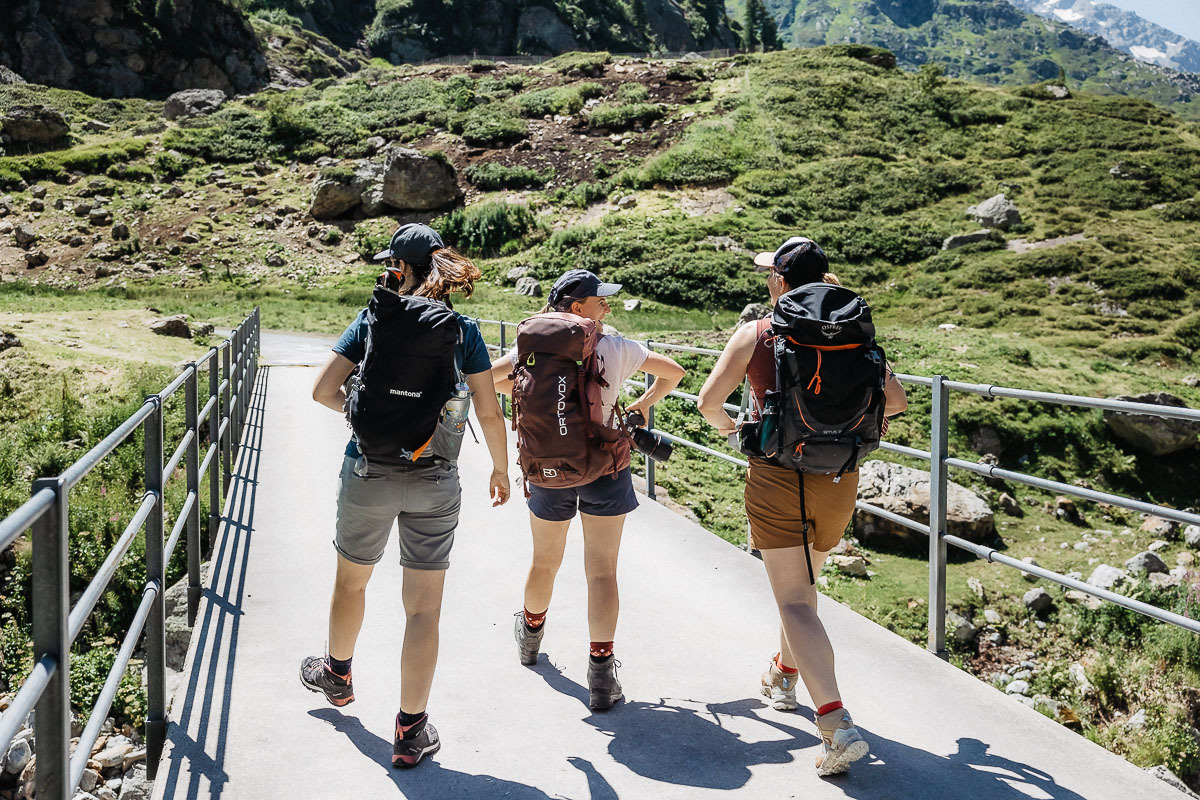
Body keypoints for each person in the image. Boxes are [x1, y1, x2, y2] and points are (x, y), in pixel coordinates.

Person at [301, 223, 511, 768]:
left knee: (352, 581)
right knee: (423, 609)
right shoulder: (462, 330)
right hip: (435, 478)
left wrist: (362, 413)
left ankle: (338, 675)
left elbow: (323, 389)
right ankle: (411, 729)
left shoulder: (373, 319)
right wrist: (500, 468)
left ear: (400, 268)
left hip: (368, 470)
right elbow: (489, 410)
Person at [697, 237, 907, 776]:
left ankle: (836, 724)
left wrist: (738, 433)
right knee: (805, 589)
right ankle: (783, 675)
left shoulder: (759, 332)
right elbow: (898, 401)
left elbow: (707, 404)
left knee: (794, 600)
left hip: (777, 476)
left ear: (780, 281)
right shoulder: (854, 329)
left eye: (771, 274)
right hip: (840, 475)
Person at [490, 269, 685, 710]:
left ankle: (530, 638)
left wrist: (525, 397)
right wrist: (639, 406)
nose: (608, 308)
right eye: (601, 301)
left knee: (544, 562)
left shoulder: (532, 343)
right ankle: (601, 675)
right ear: (578, 307)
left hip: (548, 467)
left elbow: (487, 378)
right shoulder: (614, 343)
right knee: (601, 571)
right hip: (606, 466)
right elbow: (674, 372)